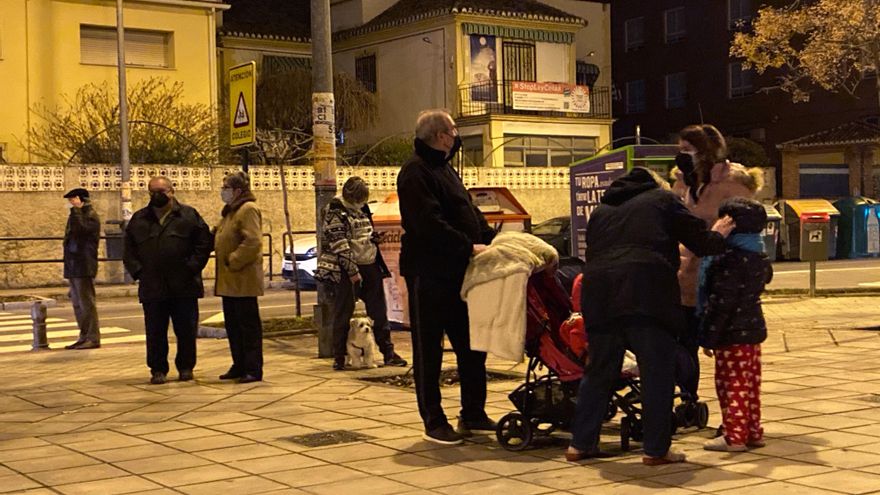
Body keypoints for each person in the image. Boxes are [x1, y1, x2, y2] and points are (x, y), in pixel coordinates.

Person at [566, 167, 735, 465]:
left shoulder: (602, 210)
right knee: (657, 372)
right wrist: (719, 234)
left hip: (599, 295)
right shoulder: (662, 199)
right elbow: (700, 242)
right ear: (655, 184)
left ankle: (580, 444)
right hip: (646, 293)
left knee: (599, 371)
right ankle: (656, 450)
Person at [397, 109, 497, 445]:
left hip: (459, 274)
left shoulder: (445, 168)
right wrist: (468, 246)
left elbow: (467, 209)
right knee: (429, 350)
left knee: (471, 346)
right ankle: (434, 420)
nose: (457, 136)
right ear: (440, 135)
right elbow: (429, 223)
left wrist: (490, 240)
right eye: (454, 131)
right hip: (430, 274)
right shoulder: (415, 172)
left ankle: (473, 412)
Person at [673, 124, 763, 402]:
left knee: (726, 350)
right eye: (681, 150)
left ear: (707, 152)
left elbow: (744, 229)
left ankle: (736, 415)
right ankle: (689, 399)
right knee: (683, 343)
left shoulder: (733, 184)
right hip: (682, 277)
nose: (682, 155)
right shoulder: (682, 182)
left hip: (718, 279)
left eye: (688, 150)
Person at [699, 198, 772, 452]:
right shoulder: (758, 255)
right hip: (752, 330)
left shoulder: (728, 260)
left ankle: (734, 435)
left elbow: (722, 304)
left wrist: (707, 337)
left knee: (732, 385)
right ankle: (752, 431)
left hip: (731, 333)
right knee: (750, 384)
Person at [123, 177, 213, 385]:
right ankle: (157, 369)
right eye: (152, 191)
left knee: (186, 330)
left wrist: (192, 268)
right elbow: (129, 250)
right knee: (155, 331)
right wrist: (139, 273)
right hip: (153, 286)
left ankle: (186, 367)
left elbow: (203, 244)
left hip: (184, 285)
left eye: (161, 191)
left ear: (172, 191)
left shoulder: (189, 216)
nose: (157, 195)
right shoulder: (139, 219)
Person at [314, 176, 407, 371]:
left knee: (378, 312)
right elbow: (339, 244)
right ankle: (340, 356)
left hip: (370, 263)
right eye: (359, 199)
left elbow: (364, 233)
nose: (362, 203)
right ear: (351, 196)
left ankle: (388, 352)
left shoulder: (362, 209)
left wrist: (374, 238)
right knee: (343, 313)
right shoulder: (334, 211)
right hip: (346, 270)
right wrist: (353, 272)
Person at [214, 172, 265, 383]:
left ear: (237, 190)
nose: (222, 191)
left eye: (226, 187)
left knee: (247, 327)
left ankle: (253, 368)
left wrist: (233, 260)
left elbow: (253, 241)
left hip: (242, 279)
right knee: (233, 326)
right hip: (229, 281)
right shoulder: (230, 212)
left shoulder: (248, 209)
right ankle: (239, 364)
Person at [62, 188, 102, 350]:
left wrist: (77, 211)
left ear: (82, 199)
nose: (71, 202)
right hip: (74, 264)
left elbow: (81, 232)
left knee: (86, 303)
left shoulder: (89, 216)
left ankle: (92, 337)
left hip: (84, 265)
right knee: (78, 303)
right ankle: (84, 335)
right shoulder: (76, 216)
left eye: (73, 199)